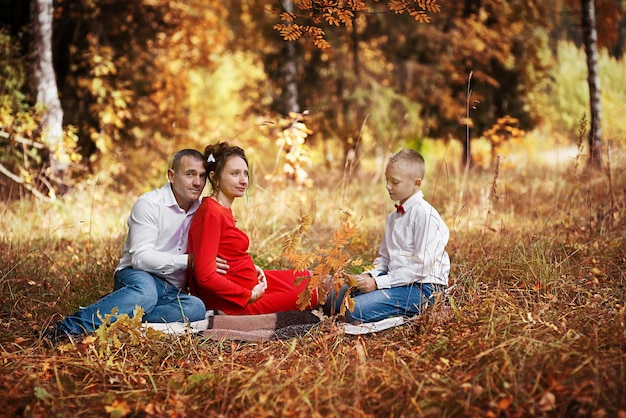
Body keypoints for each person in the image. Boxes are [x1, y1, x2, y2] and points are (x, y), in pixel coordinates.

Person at [43, 149, 227, 343]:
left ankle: (120, 306)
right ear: (171, 175)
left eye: (202, 176)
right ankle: (66, 329)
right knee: (146, 293)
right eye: (189, 174)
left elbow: (221, 246)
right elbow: (140, 258)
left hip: (171, 290)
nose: (197, 182)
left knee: (196, 308)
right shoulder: (149, 203)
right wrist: (189, 261)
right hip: (137, 275)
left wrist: (249, 267)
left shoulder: (202, 209)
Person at [188, 142, 317, 315]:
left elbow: (226, 253)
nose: (243, 180)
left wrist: (251, 266)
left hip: (251, 283)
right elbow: (205, 276)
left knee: (313, 278)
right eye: (235, 174)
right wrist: (249, 294)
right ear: (214, 177)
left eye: (245, 173)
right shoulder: (211, 212)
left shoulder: (221, 209)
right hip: (238, 302)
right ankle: (360, 304)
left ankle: (362, 286)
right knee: (317, 291)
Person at [327, 149, 450, 323]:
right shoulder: (393, 218)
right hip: (398, 279)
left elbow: (421, 267)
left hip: (424, 287)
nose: (388, 186)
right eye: (387, 180)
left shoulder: (425, 215)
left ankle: (407, 309)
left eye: (395, 182)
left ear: (416, 183)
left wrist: (379, 284)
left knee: (351, 310)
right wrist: (371, 276)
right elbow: (384, 258)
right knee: (334, 300)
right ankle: (379, 299)